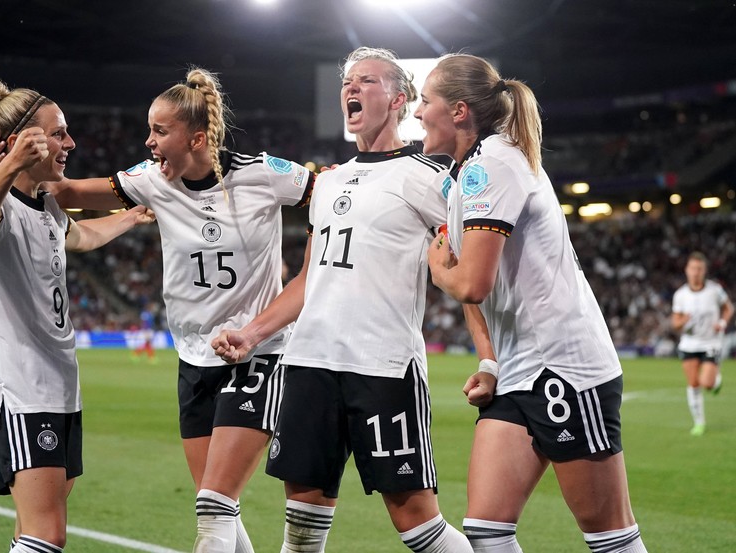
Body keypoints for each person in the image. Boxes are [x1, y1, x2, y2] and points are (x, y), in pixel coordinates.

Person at [0, 67, 313, 553]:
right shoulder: (151, 181)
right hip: (194, 357)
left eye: (159, 131)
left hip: (257, 353)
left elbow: (331, 196)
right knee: (219, 505)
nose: (148, 141)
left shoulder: (262, 174)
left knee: (213, 508)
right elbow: (67, 192)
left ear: (197, 137)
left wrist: (312, 260)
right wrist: (11, 164)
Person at [213, 47, 472, 553]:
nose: (352, 88)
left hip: (382, 367)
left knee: (420, 528)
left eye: (368, 81)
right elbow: (311, 277)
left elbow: (472, 267)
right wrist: (252, 333)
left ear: (399, 99)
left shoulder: (429, 177)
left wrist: (489, 355)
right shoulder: (327, 181)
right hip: (309, 363)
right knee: (301, 529)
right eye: (348, 81)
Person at [417, 53, 648, 552]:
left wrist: (439, 271)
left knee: (611, 539)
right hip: (520, 371)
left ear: (459, 111)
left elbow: (471, 283)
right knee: (487, 530)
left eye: (424, 100)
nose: (416, 113)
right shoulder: (465, 174)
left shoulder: (493, 166)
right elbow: (482, 288)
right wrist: (490, 360)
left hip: (562, 367)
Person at [0, 74, 154, 553]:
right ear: (22, 143)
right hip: (21, 386)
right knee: (47, 534)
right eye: (58, 132)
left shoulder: (45, 206)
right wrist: (8, 165)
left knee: (35, 528)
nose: (69, 142)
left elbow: (83, 237)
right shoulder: (0, 207)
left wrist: (131, 216)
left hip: (58, 384)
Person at [671, 251, 732, 436]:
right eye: (692, 268)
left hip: (710, 343)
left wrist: (722, 322)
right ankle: (699, 423)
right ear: (686, 270)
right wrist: (684, 321)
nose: (696, 272)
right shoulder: (680, 295)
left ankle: (715, 381)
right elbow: (675, 323)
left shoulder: (714, 290)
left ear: (704, 270)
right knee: (693, 383)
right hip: (689, 344)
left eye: (699, 269)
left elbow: (729, 308)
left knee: (706, 382)